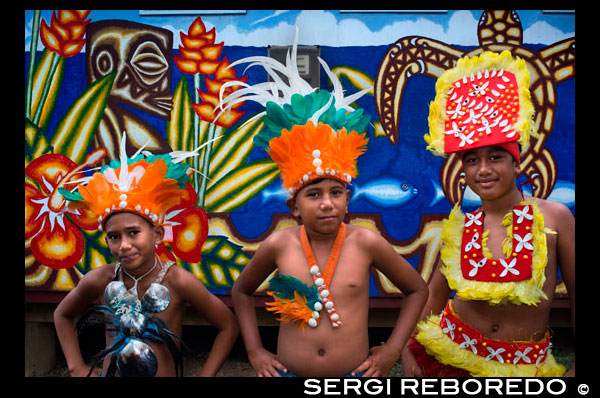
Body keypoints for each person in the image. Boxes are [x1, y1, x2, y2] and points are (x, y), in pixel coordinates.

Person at [219, 35, 429, 377]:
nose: (327, 203)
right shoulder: (279, 244)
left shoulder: (366, 242)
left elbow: (417, 290)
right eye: (314, 195)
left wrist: (392, 349)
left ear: (348, 199)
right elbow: (241, 291)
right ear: (295, 206)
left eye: (336, 192)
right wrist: (255, 350)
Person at [401, 50, 575, 377]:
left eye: (495, 157)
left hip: (524, 367)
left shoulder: (556, 217)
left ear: (517, 162)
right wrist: (410, 350)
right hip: (449, 359)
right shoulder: (462, 226)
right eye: (471, 160)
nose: (483, 170)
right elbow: (435, 295)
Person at [54, 133, 239, 377]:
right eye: (114, 236)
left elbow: (228, 326)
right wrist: (76, 366)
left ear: (158, 234)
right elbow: (62, 314)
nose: (124, 245)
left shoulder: (177, 281)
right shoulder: (100, 280)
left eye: (133, 233)